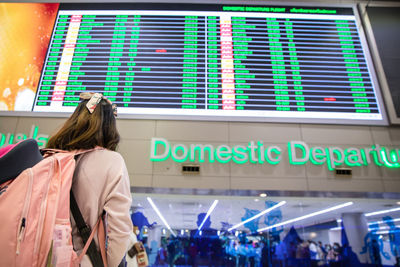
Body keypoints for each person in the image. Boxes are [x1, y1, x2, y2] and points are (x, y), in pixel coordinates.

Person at [46, 92, 132, 267]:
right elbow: (120, 230)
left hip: (42, 257)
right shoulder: (111, 161)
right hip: (84, 260)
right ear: (109, 126)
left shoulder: (48, 158)